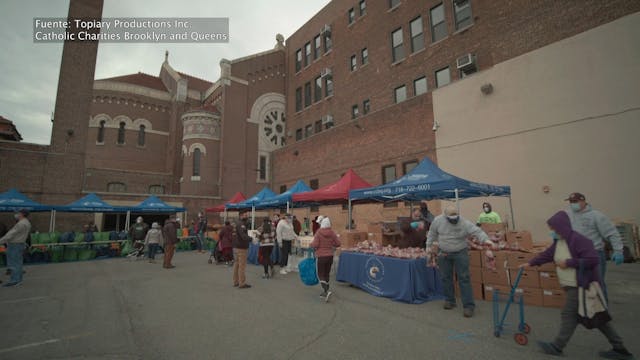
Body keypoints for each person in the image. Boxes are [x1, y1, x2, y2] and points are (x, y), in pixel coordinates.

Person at [519, 211, 633, 359]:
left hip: (580, 285)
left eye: (553, 229)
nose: (552, 232)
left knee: (569, 315)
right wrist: (530, 263)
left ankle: (557, 346)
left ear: (562, 227)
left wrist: (568, 263)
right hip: (571, 285)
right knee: (597, 316)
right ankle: (620, 348)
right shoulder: (559, 242)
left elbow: (592, 260)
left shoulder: (580, 240)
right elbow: (547, 255)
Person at [426, 206, 494, 318]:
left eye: (455, 217)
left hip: (460, 252)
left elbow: (477, 231)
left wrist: (485, 240)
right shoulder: (438, 221)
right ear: (445, 216)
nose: (453, 220)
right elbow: (432, 234)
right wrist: (428, 246)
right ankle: (450, 300)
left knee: (464, 278)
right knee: (445, 277)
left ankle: (468, 306)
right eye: (451, 218)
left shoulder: (463, 222)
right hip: (444, 253)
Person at [565, 192, 624, 302]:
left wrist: (618, 251)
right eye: (571, 202)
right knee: (580, 285)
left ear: (583, 201)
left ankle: (602, 313)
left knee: (597, 284)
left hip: (593, 255)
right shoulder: (568, 215)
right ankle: (585, 313)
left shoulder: (596, 216)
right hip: (576, 255)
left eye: (575, 201)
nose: (572, 204)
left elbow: (612, 233)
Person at [310, 217, 341, 302]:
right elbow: (338, 243)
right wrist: (332, 244)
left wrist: (311, 244)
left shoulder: (318, 232)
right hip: (330, 256)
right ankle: (325, 291)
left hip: (321, 256)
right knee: (326, 273)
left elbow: (315, 244)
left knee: (320, 274)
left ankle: (326, 291)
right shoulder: (332, 233)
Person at [0, 209, 31, 287]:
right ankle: (18, 280)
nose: (16, 214)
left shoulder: (21, 224)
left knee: (13, 263)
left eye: (18, 213)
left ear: (22, 214)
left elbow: (11, 234)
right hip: (20, 244)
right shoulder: (27, 223)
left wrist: (1, 241)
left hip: (14, 244)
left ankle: (14, 280)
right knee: (18, 263)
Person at [232, 218, 252, 289]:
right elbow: (243, 236)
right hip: (241, 247)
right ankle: (242, 283)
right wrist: (251, 239)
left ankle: (236, 281)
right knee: (242, 266)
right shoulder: (241, 225)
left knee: (236, 264)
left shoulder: (236, 224)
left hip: (235, 246)